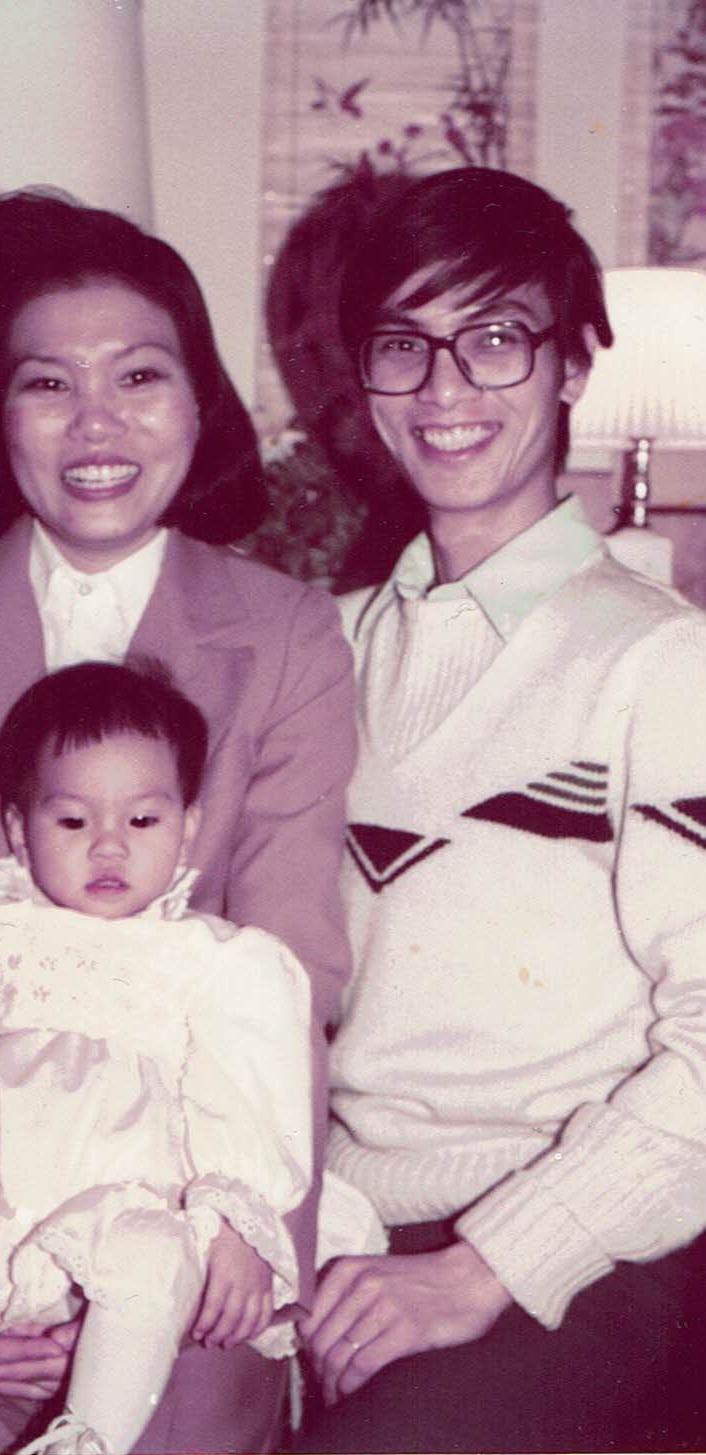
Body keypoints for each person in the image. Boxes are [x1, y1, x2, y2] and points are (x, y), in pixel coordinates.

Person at [0, 190, 356, 1455]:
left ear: (199, 402)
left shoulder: (287, 636)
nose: (97, 422)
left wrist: (237, 1248)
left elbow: (288, 973)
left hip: (175, 1233)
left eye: (140, 375)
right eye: (48, 383)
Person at [290, 166, 706, 1452]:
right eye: (403, 349)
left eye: (496, 338)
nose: (446, 390)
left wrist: (484, 1268)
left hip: (575, 1246)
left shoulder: (661, 662)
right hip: (330, 1228)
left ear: (574, 366)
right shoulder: (322, 647)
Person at [0, 659, 352, 1455]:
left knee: (149, 1270)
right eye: (73, 822)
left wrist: (232, 1218)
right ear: (21, 829)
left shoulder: (215, 960)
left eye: (144, 821)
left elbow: (249, 1095)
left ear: (189, 825)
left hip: (132, 1193)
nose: (109, 847)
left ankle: (84, 1442)